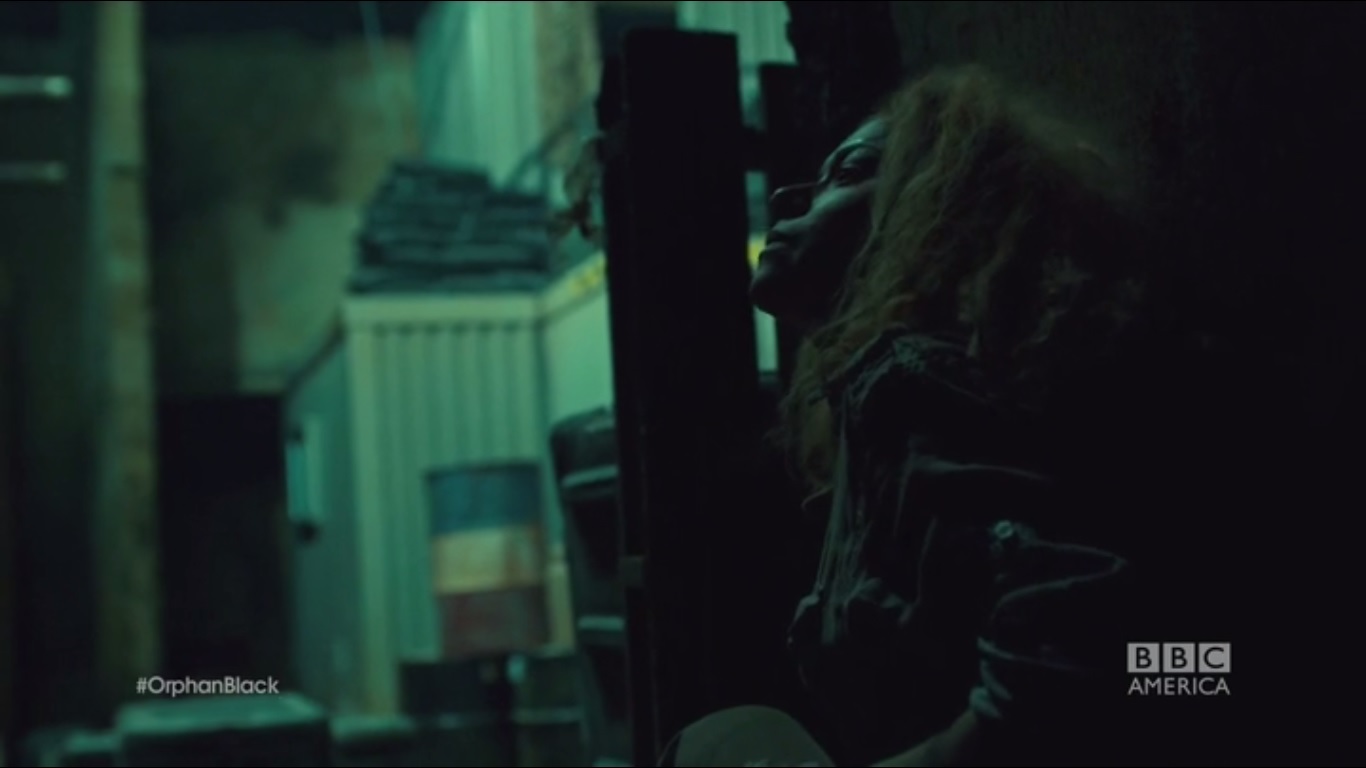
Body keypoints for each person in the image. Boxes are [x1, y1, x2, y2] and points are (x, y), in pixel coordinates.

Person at [665, 66, 1177, 767]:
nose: (789, 199)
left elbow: (1123, 665)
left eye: (849, 172)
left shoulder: (910, 384)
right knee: (727, 738)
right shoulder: (879, 400)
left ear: (931, 212)